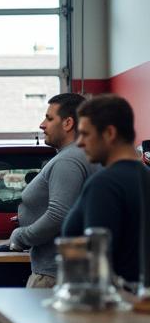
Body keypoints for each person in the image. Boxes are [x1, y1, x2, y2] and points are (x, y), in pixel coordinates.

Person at [8, 92, 95, 288]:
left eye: (49, 118)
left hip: (54, 276)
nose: (42, 125)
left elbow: (59, 214)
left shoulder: (68, 161)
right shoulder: (80, 155)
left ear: (68, 123)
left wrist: (21, 236)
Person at [61, 94, 150, 285]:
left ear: (109, 133)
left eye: (85, 134)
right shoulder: (145, 175)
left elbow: (98, 261)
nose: (79, 142)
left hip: (110, 308)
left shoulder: (105, 184)